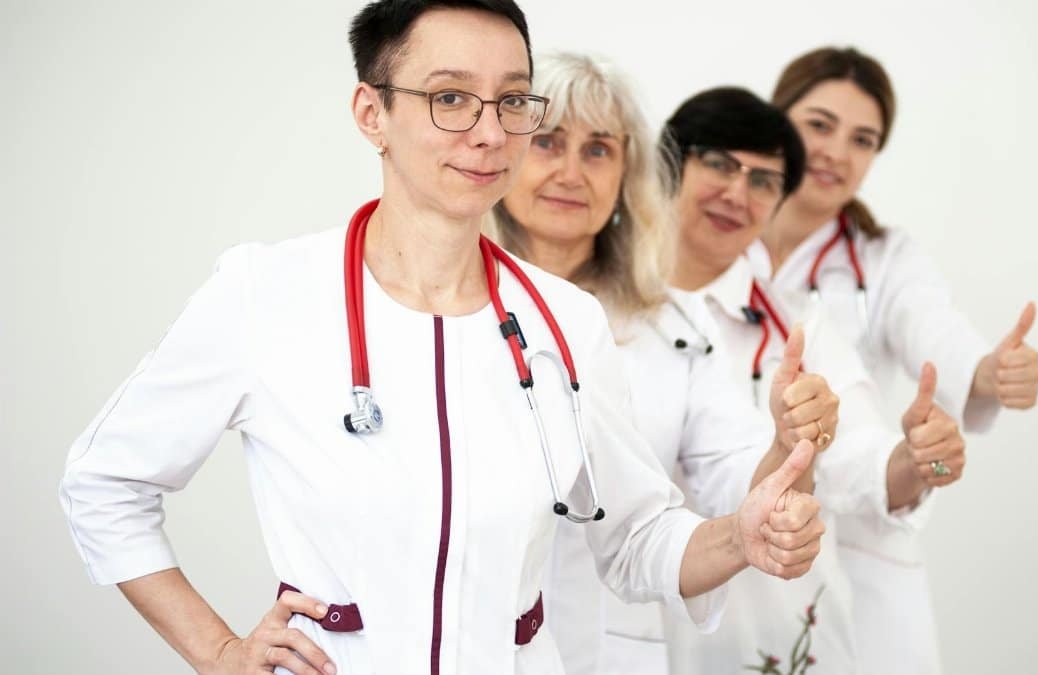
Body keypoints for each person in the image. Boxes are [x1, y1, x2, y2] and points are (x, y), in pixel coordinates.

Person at [56, 4, 826, 674]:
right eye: (450, 98)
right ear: (371, 113)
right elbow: (105, 483)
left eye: (512, 101)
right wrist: (218, 652)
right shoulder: (266, 292)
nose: (490, 134)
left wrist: (739, 534)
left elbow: (634, 541)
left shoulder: (566, 322)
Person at [486, 53, 836, 675]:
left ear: (627, 174)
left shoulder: (675, 326)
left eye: (598, 150)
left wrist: (788, 442)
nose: (571, 171)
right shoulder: (437, 303)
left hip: (608, 648)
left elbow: (742, 487)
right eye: (547, 142)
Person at [755, 47, 1038, 674]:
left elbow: (931, 323)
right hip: (746, 526)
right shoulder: (716, 239)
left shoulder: (884, 259)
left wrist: (988, 370)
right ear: (776, 120)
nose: (838, 151)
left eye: (864, 139)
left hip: (862, 530)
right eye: (820, 124)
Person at [663, 87, 966, 675]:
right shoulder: (589, 308)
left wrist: (916, 459)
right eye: (721, 164)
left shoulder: (800, 326)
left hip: (765, 628)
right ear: (669, 163)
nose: (737, 193)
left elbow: (863, 458)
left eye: (764, 180)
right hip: (621, 621)